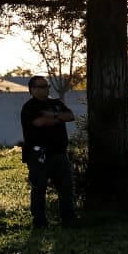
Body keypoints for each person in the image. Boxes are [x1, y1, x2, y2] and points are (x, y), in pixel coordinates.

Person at [20, 76, 76, 228]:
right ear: (32, 89)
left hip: (59, 153)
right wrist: (59, 118)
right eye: (42, 86)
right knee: (39, 189)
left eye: (47, 86)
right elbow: (39, 122)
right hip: (39, 155)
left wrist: (53, 115)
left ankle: (68, 220)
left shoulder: (55, 103)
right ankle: (39, 222)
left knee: (66, 187)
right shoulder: (29, 107)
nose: (46, 89)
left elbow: (70, 116)